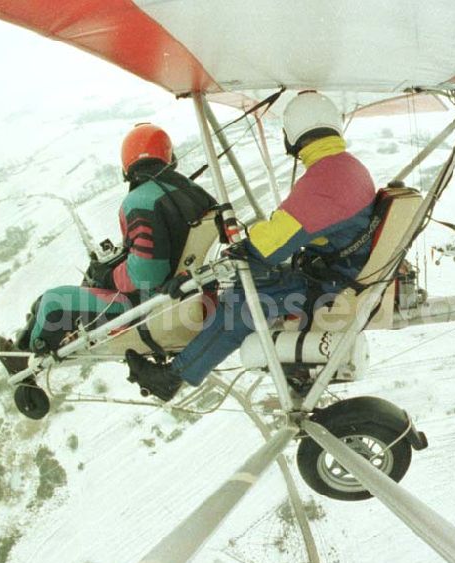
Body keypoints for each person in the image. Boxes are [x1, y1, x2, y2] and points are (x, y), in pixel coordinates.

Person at [126, 91, 377, 401]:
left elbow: (268, 249)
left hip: (332, 285)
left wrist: (245, 246)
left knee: (241, 305)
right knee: (249, 283)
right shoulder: (343, 167)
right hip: (336, 271)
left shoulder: (326, 179)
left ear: (292, 133)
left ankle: (175, 377)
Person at [0, 123, 215, 371]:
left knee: (52, 302)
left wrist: (108, 275)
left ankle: (26, 358)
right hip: (187, 292)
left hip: (151, 305)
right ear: (168, 155)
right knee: (43, 304)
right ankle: (21, 345)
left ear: (127, 164)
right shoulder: (195, 191)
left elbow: (147, 273)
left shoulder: (139, 201)